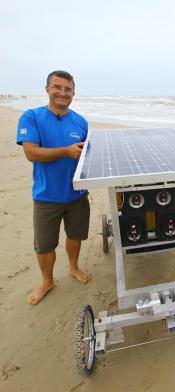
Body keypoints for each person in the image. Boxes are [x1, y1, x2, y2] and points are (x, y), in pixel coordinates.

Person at [16, 70, 91, 305]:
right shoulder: (31, 117)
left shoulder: (80, 121)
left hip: (77, 194)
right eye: (57, 87)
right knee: (45, 244)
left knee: (75, 235)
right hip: (46, 195)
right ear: (47, 89)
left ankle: (73, 267)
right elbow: (31, 153)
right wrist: (66, 151)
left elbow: (88, 155)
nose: (62, 93)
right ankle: (47, 281)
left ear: (73, 93)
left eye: (68, 89)